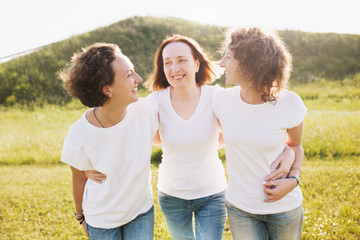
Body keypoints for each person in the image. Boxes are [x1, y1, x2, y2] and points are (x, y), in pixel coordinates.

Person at [86, 35, 295, 240]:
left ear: (196, 63)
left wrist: (289, 150)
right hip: (171, 196)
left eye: (181, 60)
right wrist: (86, 161)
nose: (174, 68)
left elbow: (250, 128)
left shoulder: (217, 97)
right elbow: (116, 121)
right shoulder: (154, 103)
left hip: (212, 194)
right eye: (167, 63)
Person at [214, 27, 306, 240]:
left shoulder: (290, 103)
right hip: (240, 209)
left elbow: (295, 145)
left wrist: (293, 179)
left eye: (228, 57)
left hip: (284, 208)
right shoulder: (220, 100)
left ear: (249, 63)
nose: (221, 64)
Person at [59, 43, 158, 240]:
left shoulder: (146, 111)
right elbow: (78, 178)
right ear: (107, 89)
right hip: (102, 220)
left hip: (140, 212)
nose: (138, 79)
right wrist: (80, 214)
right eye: (129, 75)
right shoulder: (79, 133)